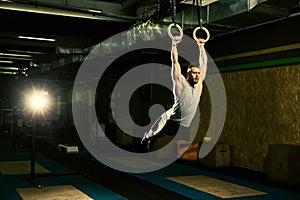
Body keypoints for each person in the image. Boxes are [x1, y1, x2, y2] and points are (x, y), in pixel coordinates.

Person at [141, 35, 208, 151]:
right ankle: (146, 138)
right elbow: (175, 61)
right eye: (194, 73)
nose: (197, 75)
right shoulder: (181, 82)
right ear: (188, 74)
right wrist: (174, 44)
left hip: (185, 124)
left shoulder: (200, 83)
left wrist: (201, 46)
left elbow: (204, 64)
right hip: (171, 121)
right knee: (155, 135)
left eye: (198, 73)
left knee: (181, 148)